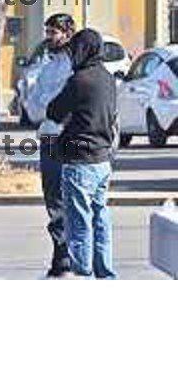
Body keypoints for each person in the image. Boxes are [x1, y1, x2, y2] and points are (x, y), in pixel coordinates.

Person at [47, 29, 118, 279]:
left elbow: (53, 111)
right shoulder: (108, 78)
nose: (72, 55)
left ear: (82, 50)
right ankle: (105, 274)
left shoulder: (79, 80)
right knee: (100, 220)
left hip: (79, 160)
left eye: (74, 49)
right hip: (102, 159)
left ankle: (84, 275)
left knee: (79, 224)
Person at [24, 13, 76, 278]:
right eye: (47, 32)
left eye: (53, 32)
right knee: (53, 201)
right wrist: (48, 105)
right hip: (47, 139)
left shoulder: (74, 67)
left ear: (68, 33)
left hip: (65, 139)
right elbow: (32, 109)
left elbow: (62, 106)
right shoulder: (47, 67)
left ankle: (68, 258)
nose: (48, 37)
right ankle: (60, 256)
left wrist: (48, 105)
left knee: (69, 200)